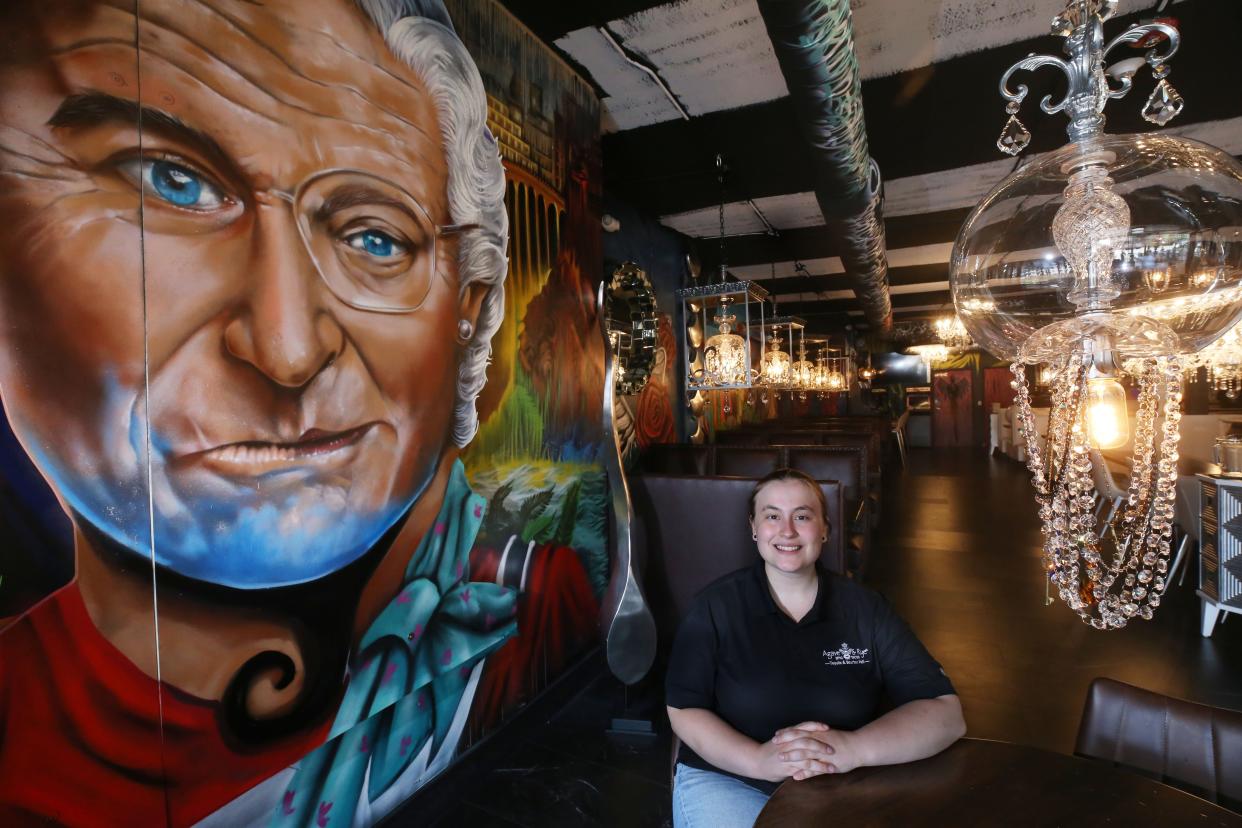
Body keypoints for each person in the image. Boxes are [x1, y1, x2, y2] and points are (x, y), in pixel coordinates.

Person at [0, 1, 597, 825]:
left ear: (467, 309)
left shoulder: (536, 604)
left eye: (375, 238)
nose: (286, 349)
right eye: (169, 182)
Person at [665, 468, 966, 828]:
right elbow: (683, 709)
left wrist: (851, 749)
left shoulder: (865, 609)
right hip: (730, 779)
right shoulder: (714, 607)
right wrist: (758, 760)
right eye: (772, 516)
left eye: (803, 516)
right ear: (754, 528)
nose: (787, 530)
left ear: (824, 528)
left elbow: (946, 714)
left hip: (844, 783)